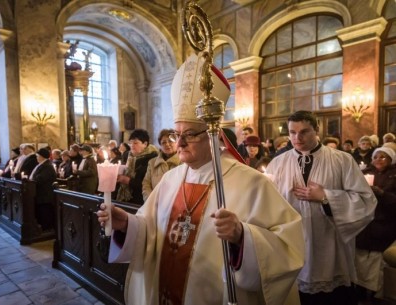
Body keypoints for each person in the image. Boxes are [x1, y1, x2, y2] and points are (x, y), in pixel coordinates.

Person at [97, 54, 304, 305]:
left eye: (190, 134)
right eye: (177, 134)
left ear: (213, 135)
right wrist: (127, 224)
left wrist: (242, 237)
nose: (180, 143)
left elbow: (287, 251)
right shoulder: (171, 179)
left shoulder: (251, 184)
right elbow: (151, 234)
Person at [266, 110, 377, 305]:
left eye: (304, 132)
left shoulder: (342, 160)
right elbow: (267, 204)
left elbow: (366, 201)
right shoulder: (277, 164)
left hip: (330, 248)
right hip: (293, 247)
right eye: (292, 132)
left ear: (317, 130)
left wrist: (326, 197)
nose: (297, 138)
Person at [355, 147, 396, 301]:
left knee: (375, 264)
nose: (378, 159)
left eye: (383, 157)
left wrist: (382, 194)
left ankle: (374, 294)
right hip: (364, 224)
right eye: (376, 157)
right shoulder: (364, 173)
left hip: (384, 224)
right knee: (359, 259)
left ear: (391, 160)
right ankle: (359, 291)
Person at [116, 129, 158, 205]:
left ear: (145, 144)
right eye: (130, 143)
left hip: (140, 200)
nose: (132, 145)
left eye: (135, 143)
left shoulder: (152, 159)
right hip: (124, 198)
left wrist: (128, 181)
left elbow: (150, 184)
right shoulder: (128, 156)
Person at [142, 128, 181, 201]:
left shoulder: (183, 163)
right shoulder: (152, 163)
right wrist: (151, 201)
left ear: (177, 142)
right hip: (154, 204)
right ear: (160, 145)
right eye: (163, 142)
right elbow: (146, 184)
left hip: (176, 205)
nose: (167, 144)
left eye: (170, 141)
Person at [30, 148, 57, 231]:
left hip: (45, 194)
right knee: (42, 211)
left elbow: (41, 178)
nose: (36, 158)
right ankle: (43, 226)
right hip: (40, 193)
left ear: (42, 157)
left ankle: (47, 228)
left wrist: (32, 179)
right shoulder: (41, 165)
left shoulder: (47, 166)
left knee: (45, 212)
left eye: (37, 156)